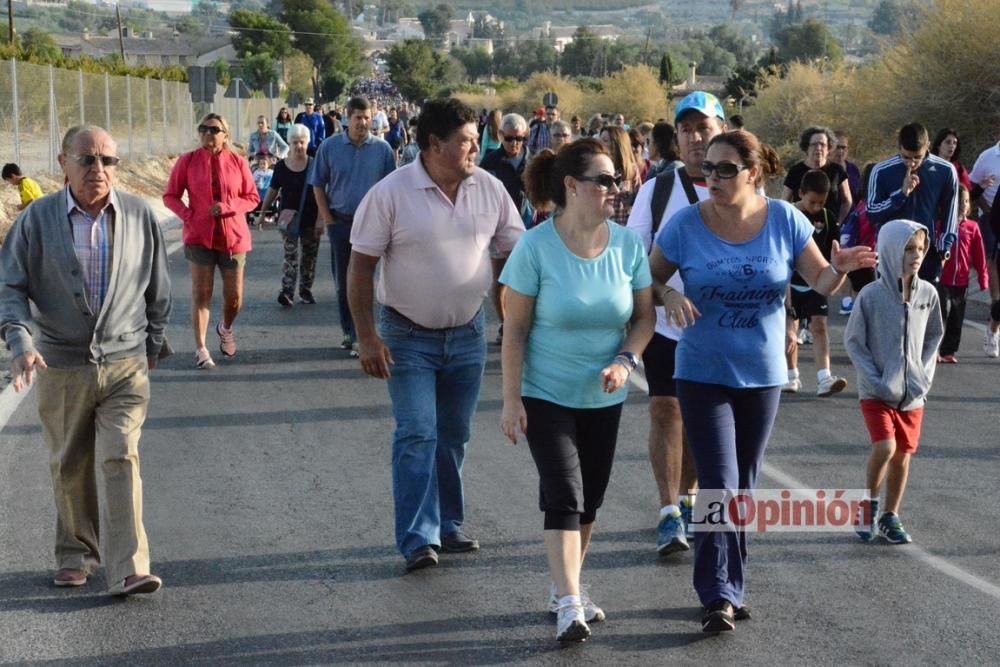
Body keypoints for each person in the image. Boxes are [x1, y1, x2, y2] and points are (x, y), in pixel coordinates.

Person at [648, 129, 876, 633]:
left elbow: (818, 281)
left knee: (743, 487)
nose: (712, 177)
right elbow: (649, 277)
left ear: (754, 173)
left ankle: (732, 584)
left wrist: (837, 271)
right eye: (707, 168)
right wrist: (665, 296)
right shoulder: (686, 224)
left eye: (725, 169)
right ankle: (717, 594)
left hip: (763, 375)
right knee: (719, 484)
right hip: (702, 372)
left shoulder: (785, 220)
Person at [347, 97, 524, 572]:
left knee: (453, 435)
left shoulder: (488, 189)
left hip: (467, 333)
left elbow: (518, 249)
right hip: (406, 337)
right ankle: (418, 537)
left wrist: (515, 307)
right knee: (417, 432)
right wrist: (365, 335)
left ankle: (448, 523)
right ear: (433, 144)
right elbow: (360, 265)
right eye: (466, 142)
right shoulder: (391, 193)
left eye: (475, 140)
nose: (475, 149)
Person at [0, 125, 171, 596]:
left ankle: (130, 566)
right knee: (70, 463)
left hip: (125, 363)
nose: (99, 169)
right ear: (63, 163)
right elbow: (9, 287)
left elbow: (158, 288)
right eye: (87, 160)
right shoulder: (36, 220)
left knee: (121, 455)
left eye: (108, 161)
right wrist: (20, 342)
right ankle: (76, 553)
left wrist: (152, 343)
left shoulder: (138, 215)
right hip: (60, 364)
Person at [499, 138, 655, 643]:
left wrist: (625, 360)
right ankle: (569, 602)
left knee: (591, 500)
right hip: (545, 391)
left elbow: (644, 317)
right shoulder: (535, 247)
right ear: (572, 186)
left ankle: (566, 584)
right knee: (564, 495)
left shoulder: (629, 246)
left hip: (605, 394)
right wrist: (510, 399)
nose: (616, 188)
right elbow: (515, 329)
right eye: (604, 180)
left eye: (617, 179)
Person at [626, 91, 726, 556]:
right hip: (667, 326)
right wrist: (656, 297)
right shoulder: (657, 189)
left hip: (723, 329)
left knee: (701, 424)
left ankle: (686, 497)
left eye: (703, 127)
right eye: (685, 129)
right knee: (666, 410)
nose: (694, 137)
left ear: (722, 130)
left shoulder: (750, 190)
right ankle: (669, 511)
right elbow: (635, 258)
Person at [847, 220, 943, 545]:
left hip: (913, 393)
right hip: (876, 392)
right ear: (889, 252)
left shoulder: (928, 293)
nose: (915, 256)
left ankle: (891, 515)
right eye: (907, 249)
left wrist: (923, 376)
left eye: (919, 249)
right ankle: (869, 505)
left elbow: (934, 337)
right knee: (885, 447)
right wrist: (873, 379)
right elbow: (854, 342)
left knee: (903, 456)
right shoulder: (870, 296)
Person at [163, 113, 259, 369]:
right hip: (199, 237)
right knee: (201, 293)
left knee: (234, 298)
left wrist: (228, 207)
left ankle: (225, 327)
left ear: (225, 135)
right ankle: (201, 348)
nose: (208, 133)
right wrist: (188, 215)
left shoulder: (238, 163)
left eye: (214, 129)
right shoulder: (188, 161)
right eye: (203, 129)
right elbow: (170, 195)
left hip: (233, 238)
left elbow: (252, 197)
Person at [309, 96, 396, 357]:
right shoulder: (330, 147)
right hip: (341, 222)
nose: (363, 123)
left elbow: (392, 188)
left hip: (373, 226)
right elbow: (318, 184)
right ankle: (350, 330)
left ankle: (364, 332)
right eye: (358, 117)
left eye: (367, 117)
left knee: (366, 280)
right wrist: (328, 219)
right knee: (343, 282)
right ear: (348, 118)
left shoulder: (382, 150)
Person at [783, 169, 849, 396]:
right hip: (790, 283)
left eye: (821, 202)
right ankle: (791, 375)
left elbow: (835, 254)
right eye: (812, 202)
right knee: (790, 329)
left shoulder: (829, 218)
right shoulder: (788, 216)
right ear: (800, 193)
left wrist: (835, 275)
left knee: (819, 326)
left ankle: (824, 378)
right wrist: (788, 303)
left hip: (817, 283)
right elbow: (783, 259)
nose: (816, 207)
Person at [867, 122, 959, 283]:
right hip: (892, 250)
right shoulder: (881, 170)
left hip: (926, 250)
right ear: (899, 147)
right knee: (892, 306)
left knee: (925, 305)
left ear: (928, 146)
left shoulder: (946, 170)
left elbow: (950, 212)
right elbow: (873, 213)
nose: (911, 163)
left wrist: (944, 249)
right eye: (906, 157)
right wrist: (900, 194)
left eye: (918, 157)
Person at [480, 113, 530, 344]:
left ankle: (523, 325)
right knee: (501, 280)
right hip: (498, 228)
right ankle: (504, 323)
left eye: (520, 138)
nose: (515, 143)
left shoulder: (533, 160)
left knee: (525, 280)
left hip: (528, 226)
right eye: (510, 138)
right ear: (501, 136)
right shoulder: (490, 161)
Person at [258, 124, 321, 307]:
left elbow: (322, 192)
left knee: (309, 257)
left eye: (302, 142)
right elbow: (272, 190)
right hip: (289, 219)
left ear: (307, 142)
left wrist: (321, 219)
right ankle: (287, 291)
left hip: (311, 218)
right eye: (295, 142)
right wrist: (263, 213)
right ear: (289, 143)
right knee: (290, 256)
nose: (299, 146)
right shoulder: (281, 167)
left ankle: (305, 290)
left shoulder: (315, 164)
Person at [937, 186, 988, 362]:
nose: (963, 205)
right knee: (942, 312)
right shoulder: (941, 224)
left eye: (966, 201)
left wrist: (983, 278)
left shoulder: (972, 227)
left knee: (957, 315)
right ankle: (934, 349)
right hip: (942, 279)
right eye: (959, 201)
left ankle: (949, 351)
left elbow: (979, 255)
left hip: (961, 281)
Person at [968, 131, 1000, 356]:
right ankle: (995, 306)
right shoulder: (988, 156)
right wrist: (988, 211)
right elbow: (970, 189)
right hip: (990, 217)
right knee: (992, 260)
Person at [782, 126, 852, 223]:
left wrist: (838, 222)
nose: (818, 148)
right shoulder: (795, 171)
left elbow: (847, 201)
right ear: (807, 148)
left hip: (828, 227)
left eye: (823, 144)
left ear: (829, 148)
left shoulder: (837, 170)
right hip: (800, 226)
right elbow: (785, 201)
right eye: (814, 144)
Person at [598, 125, 640, 225]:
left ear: (617, 144)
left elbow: (638, 200)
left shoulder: (632, 169)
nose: (600, 144)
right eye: (600, 140)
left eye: (605, 140)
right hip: (601, 224)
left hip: (623, 225)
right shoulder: (597, 168)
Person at [831, 130, 861, 202]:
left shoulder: (853, 169)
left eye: (843, 147)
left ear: (848, 149)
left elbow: (860, 195)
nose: (840, 151)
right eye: (837, 147)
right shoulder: (823, 169)